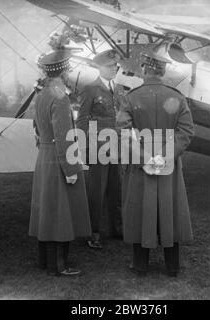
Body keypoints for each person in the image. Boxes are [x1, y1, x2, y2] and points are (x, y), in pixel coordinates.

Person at [117, 49, 195, 277]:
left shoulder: (131, 97)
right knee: (171, 209)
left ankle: (140, 264)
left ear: (144, 68)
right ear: (163, 71)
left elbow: (122, 133)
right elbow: (186, 131)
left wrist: (145, 158)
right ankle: (173, 266)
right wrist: (165, 156)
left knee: (141, 209)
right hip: (169, 164)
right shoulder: (177, 96)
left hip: (141, 162)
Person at [29, 48, 92, 276]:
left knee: (46, 211)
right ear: (63, 71)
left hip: (44, 156)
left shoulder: (41, 94)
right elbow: (64, 136)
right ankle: (60, 265)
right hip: (58, 158)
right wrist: (71, 168)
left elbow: (36, 128)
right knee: (61, 213)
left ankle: (44, 261)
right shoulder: (61, 98)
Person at [76, 49, 124, 249]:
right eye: (110, 66)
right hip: (97, 149)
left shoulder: (118, 89)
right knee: (96, 191)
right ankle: (92, 232)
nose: (114, 69)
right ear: (100, 67)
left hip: (116, 147)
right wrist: (85, 148)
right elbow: (81, 121)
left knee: (116, 189)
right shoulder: (91, 90)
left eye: (116, 66)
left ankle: (117, 228)